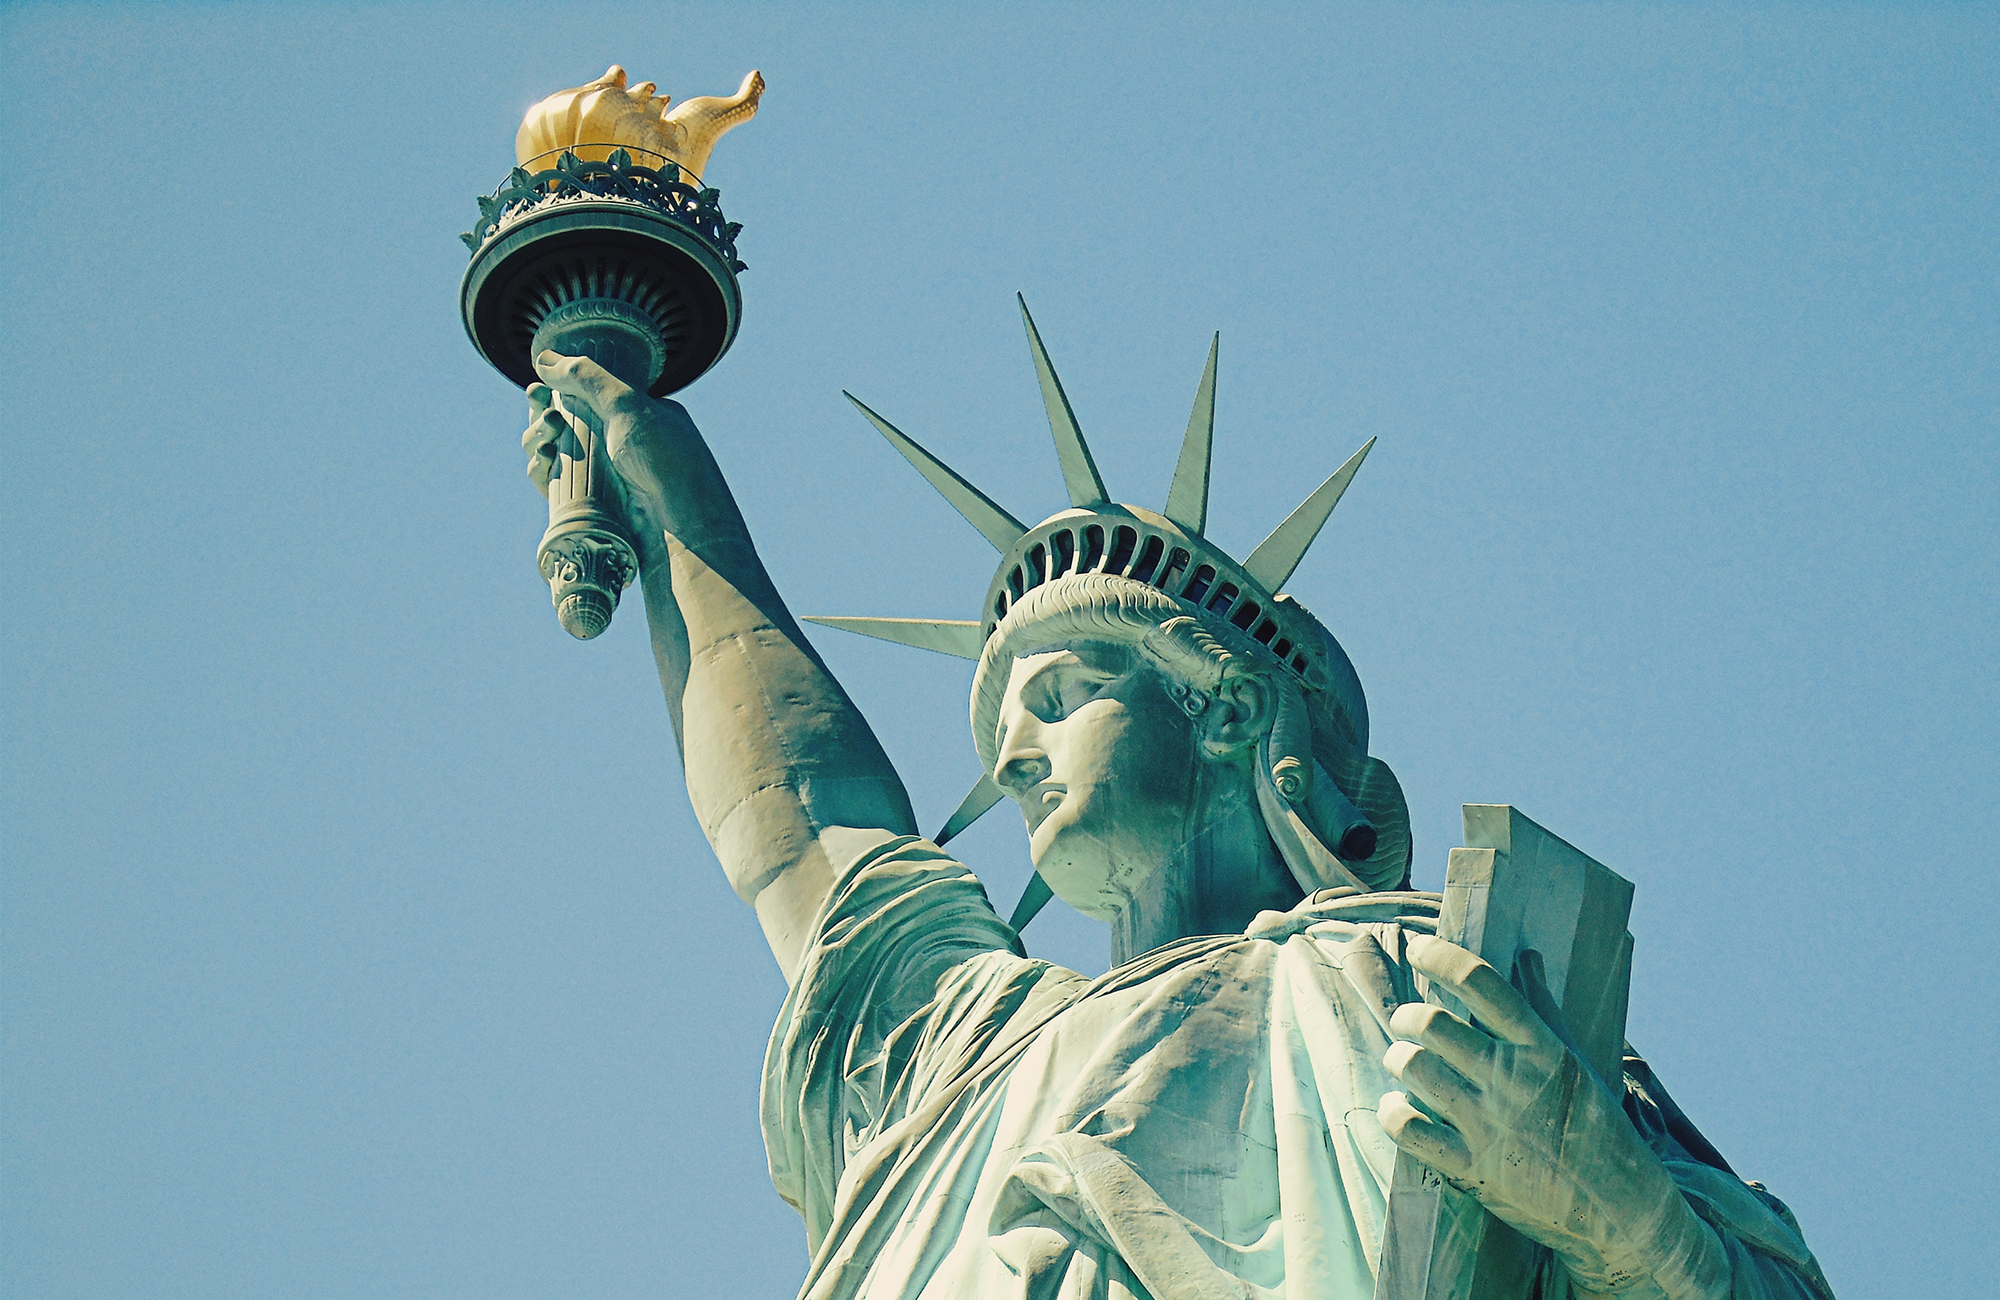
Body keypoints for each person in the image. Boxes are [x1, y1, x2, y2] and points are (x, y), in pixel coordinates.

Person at [521, 345, 1833, 1300]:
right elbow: (806, 828)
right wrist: (657, 475)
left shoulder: (1428, 988)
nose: (1016, 757)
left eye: (1063, 693)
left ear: (1225, 712)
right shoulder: (969, 1048)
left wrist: (1605, 1204)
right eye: (1001, 729)